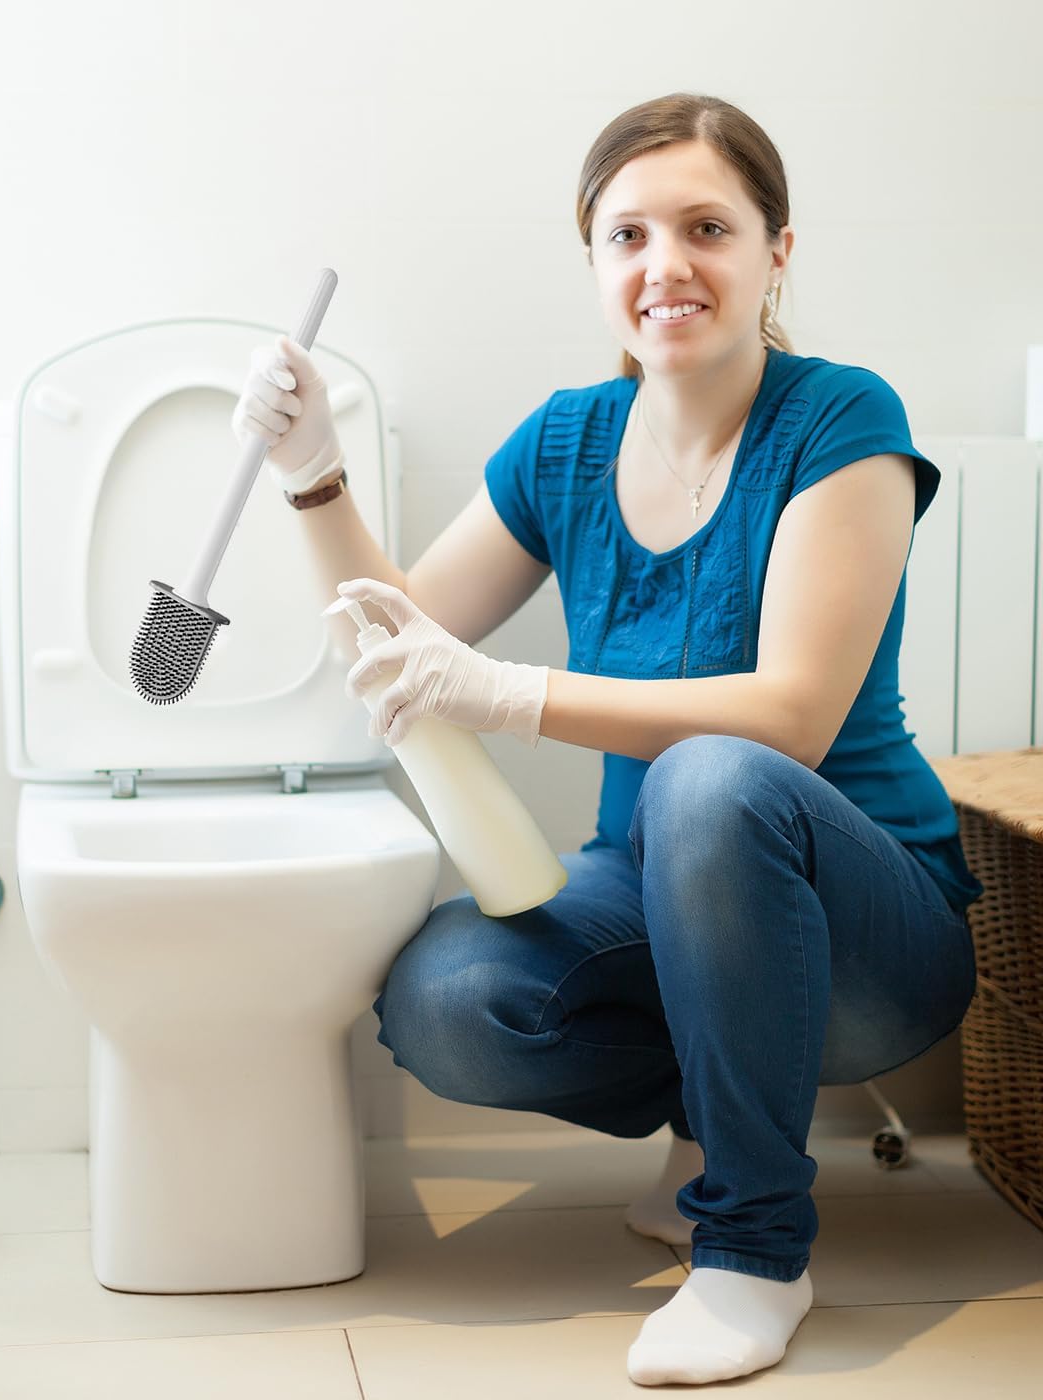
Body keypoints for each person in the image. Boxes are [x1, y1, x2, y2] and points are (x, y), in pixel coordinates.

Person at [233, 92, 984, 1388]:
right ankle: (710, 1118)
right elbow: (397, 636)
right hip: (650, 890)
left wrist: (512, 695)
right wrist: (314, 475)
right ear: (594, 261)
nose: (666, 266)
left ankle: (752, 1249)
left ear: (776, 252)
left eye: (707, 227)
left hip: (871, 930)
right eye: (628, 235)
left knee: (711, 781)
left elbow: (792, 717)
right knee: (448, 1000)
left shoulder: (842, 421)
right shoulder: (569, 441)